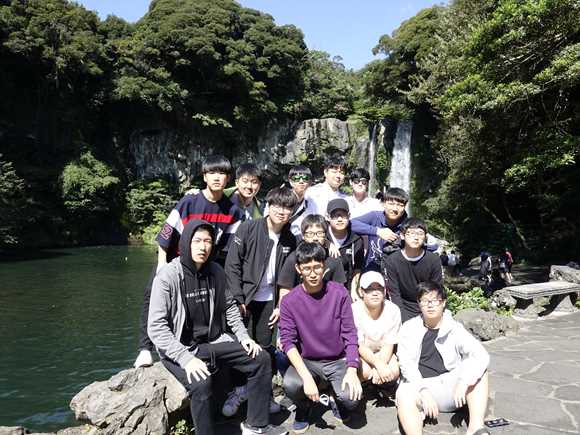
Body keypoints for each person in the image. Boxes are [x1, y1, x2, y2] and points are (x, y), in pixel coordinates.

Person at [147, 220, 287, 435]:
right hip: (181, 348)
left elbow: (230, 306)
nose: (203, 247)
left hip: (213, 341)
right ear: (186, 243)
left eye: (208, 241)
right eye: (197, 241)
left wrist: (244, 337)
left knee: (260, 358)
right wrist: (185, 359)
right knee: (201, 383)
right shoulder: (168, 276)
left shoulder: (215, 271)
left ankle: (256, 426)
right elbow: (156, 327)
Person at [134, 155, 243, 368]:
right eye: (212, 172)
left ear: (228, 178)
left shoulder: (233, 211)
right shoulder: (189, 202)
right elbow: (166, 233)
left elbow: (226, 249)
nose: (217, 177)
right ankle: (145, 349)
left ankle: (201, 344)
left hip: (204, 265)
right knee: (152, 294)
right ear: (204, 176)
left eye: (222, 173)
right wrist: (162, 264)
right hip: (173, 260)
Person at [223, 187, 298, 416]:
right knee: (238, 345)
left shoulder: (290, 239)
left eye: (287, 207)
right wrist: (237, 298)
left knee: (264, 348)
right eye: (277, 206)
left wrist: (281, 305)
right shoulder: (248, 228)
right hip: (244, 297)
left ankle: (263, 394)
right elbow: (232, 265)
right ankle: (239, 390)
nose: (281, 211)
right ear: (268, 206)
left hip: (269, 300)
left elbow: (288, 277)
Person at [279, 242, 362, 433]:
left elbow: (350, 333)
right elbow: (288, 342)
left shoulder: (339, 292)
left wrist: (352, 369)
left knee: (351, 398)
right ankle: (304, 406)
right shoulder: (290, 301)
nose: (313, 273)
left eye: (317, 267)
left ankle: (334, 396)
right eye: (307, 268)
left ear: (324, 266)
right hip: (308, 361)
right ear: (298, 269)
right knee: (292, 384)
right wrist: (306, 377)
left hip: (337, 359)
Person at [396, 282, 490, 435]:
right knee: (403, 394)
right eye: (425, 300)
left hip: (452, 387)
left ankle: (476, 427)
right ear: (419, 304)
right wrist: (423, 391)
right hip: (421, 386)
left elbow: (480, 354)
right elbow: (406, 365)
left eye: (435, 300)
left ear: (443, 303)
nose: (430, 305)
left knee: (480, 371)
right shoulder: (409, 328)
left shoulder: (454, 327)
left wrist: (464, 381)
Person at [277, 214, 347, 303]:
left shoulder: (333, 259)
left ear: (325, 235)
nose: (315, 238)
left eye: (319, 233)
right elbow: (285, 290)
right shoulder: (294, 258)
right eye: (310, 234)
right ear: (303, 236)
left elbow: (339, 290)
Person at [385, 218, 443, 323]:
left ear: (425, 237)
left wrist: (430, 313)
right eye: (411, 233)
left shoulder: (433, 259)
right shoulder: (392, 260)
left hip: (427, 304)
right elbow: (394, 293)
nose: (416, 238)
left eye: (420, 234)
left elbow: (436, 289)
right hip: (403, 306)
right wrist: (403, 319)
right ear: (402, 235)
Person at [352, 271, 400, 385]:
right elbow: (360, 345)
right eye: (369, 289)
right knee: (365, 371)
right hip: (362, 354)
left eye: (379, 288)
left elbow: (389, 344)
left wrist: (380, 366)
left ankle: (384, 386)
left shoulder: (393, 310)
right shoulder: (353, 310)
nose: (375, 293)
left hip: (383, 352)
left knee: (394, 370)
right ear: (361, 291)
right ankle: (367, 385)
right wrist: (377, 365)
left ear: (384, 291)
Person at [351, 187, 409, 273]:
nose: (395, 209)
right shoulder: (375, 217)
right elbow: (350, 224)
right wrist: (377, 231)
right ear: (383, 203)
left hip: (397, 273)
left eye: (400, 205)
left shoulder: (408, 224)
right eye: (391, 204)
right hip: (371, 270)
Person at [326, 198, 365, 300]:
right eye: (335, 215)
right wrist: (327, 242)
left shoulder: (356, 240)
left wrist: (354, 288)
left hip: (345, 289)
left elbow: (357, 268)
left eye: (343, 215)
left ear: (349, 216)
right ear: (328, 217)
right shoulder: (321, 235)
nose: (340, 219)